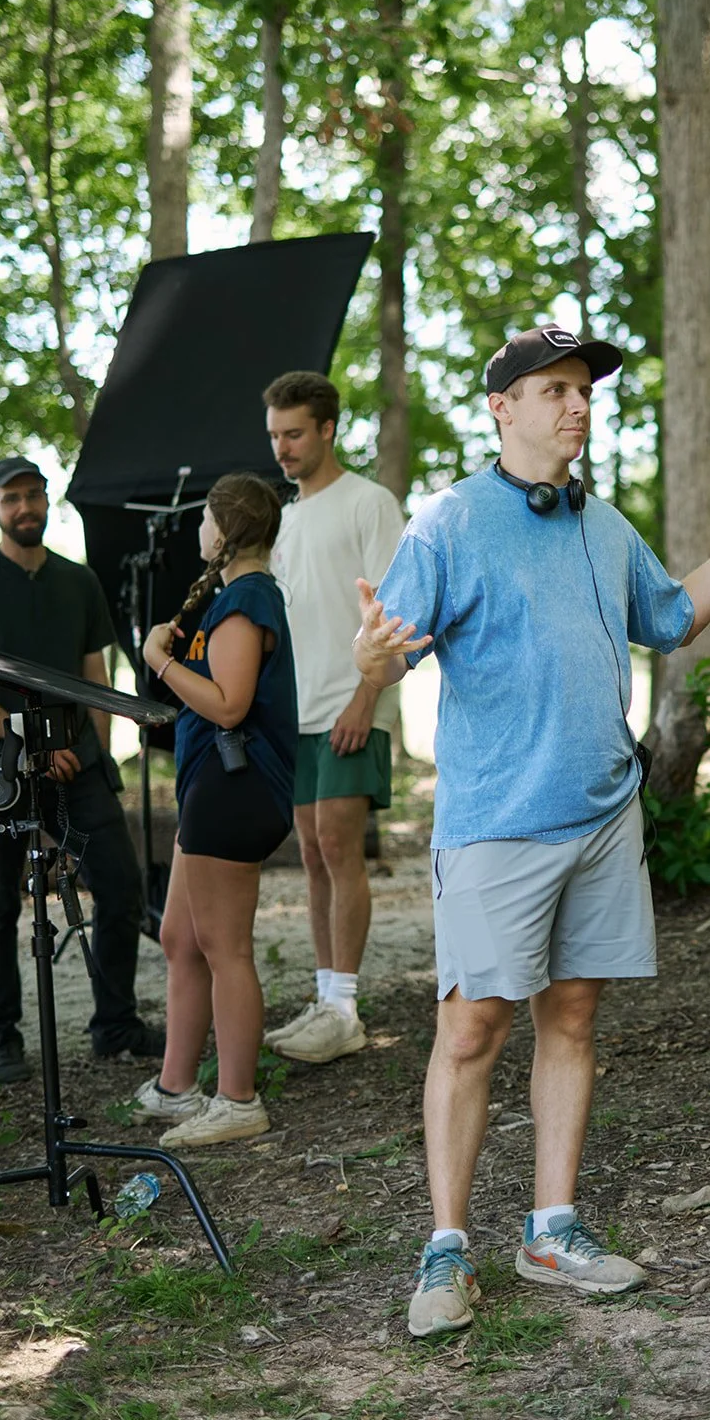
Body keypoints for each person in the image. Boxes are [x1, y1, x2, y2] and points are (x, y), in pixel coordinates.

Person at [352, 323, 710, 1339]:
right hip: (498, 825)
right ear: (501, 408)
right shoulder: (451, 520)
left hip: (602, 816)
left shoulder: (603, 525)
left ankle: (551, 1230)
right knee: (470, 1027)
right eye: (552, 390)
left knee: (573, 1017)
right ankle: (446, 1245)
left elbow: (671, 619)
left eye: (583, 390)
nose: (576, 405)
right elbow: (385, 660)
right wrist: (370, 660)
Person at [129, 473, 297, 1148]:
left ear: (224, 530)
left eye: (203, 518)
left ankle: (237, 1099)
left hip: (235, 791)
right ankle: (176, 1088)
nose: (197, 529)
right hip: (209, 788)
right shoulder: (232, 598)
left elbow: (228, 704)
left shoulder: (247, 600)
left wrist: (158, 663)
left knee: (224, 948)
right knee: (179, 936)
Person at [0, 455, 164, 1082]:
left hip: (78, 767)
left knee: (121, 888)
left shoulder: (79, 581)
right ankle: (2, 1039)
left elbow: (97, 676)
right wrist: (27, 744)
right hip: (2, 773)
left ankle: (115, 1025)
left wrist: (89, 749)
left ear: (46, 500)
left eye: (33, 495)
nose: (24, 508)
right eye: (11, 498)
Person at [263, 372, 405, 1065]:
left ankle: (345, 1007)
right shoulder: (283, 519)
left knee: (339, 845)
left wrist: (363, 698)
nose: (282, 448)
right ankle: (325, 999)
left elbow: (394, 614)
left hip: (353, 705)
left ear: (326, 429)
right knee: (311, 852)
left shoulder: (370, 503)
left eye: (293, 433)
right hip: (297, 713)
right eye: (274, 436)